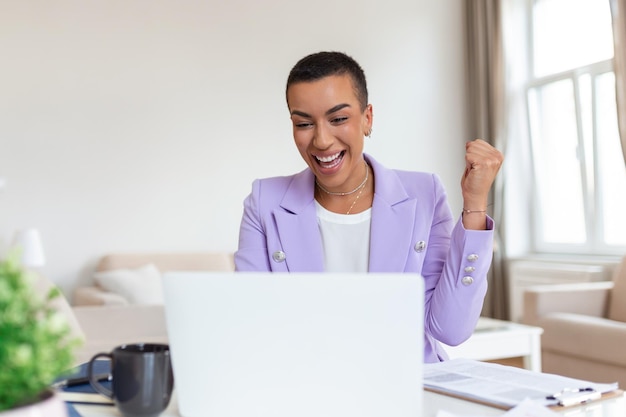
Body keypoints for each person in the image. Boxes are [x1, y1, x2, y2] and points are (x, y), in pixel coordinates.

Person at [235, 51, 504, 362]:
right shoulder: (264, 202)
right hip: (310, 386)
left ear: (367, 118)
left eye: (338, 119)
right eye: (304, 123)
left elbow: (450, 329)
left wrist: (474, 203)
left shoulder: (424, 194)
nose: (321, 140)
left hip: (407, 385)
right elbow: (255, 324)